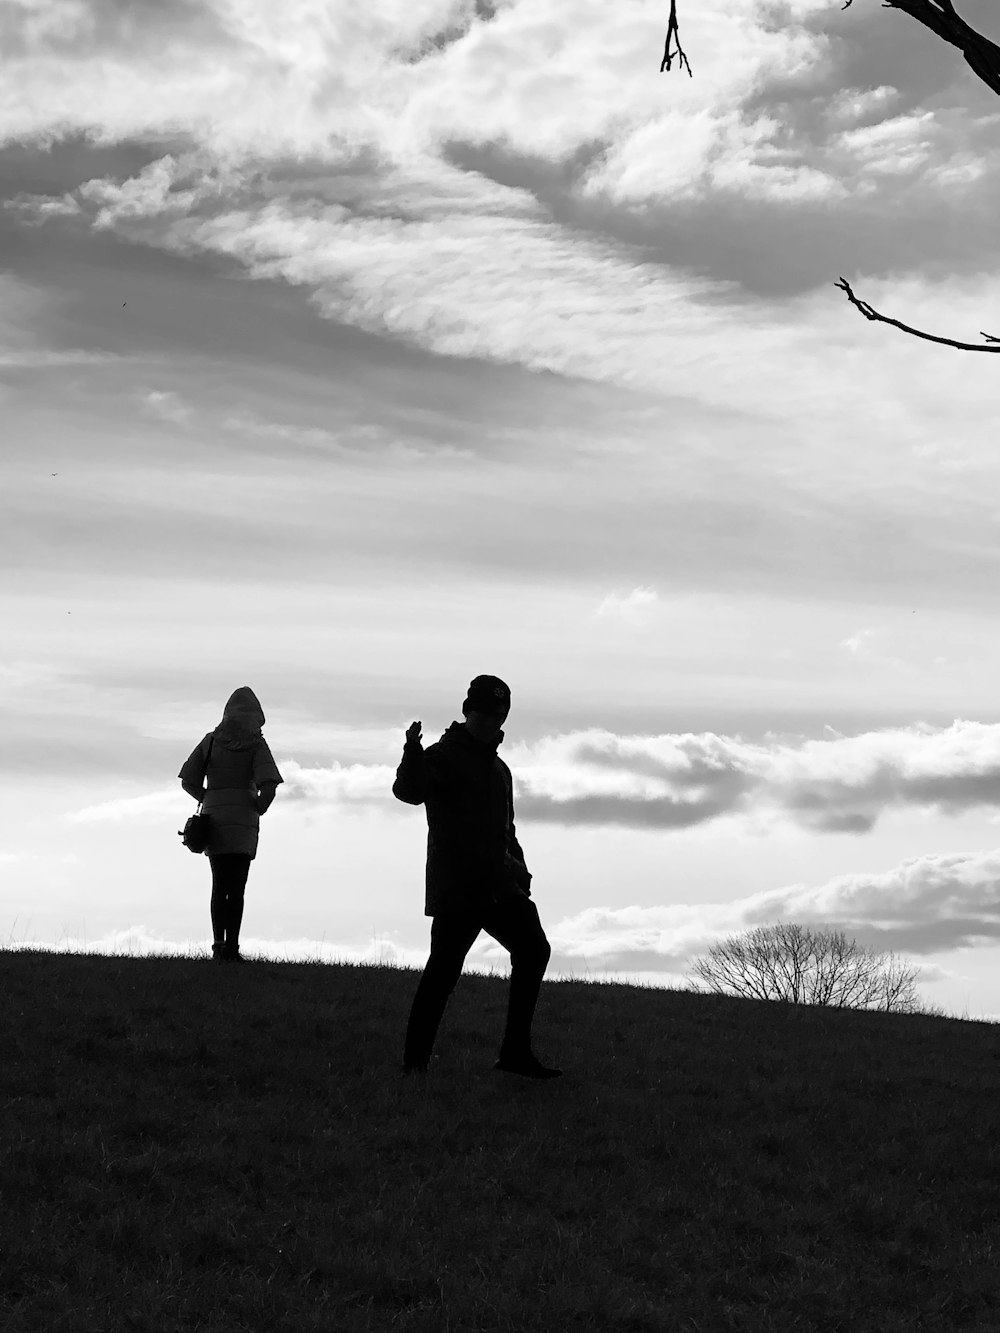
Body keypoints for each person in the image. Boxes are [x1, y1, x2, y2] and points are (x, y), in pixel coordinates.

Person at [393, 674, 561, 1079]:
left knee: (534, 950)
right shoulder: (443, 755)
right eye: (483, 712)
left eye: (497, 714)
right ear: (468, 711)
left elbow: (507, 830)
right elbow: (408, 791)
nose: (489, 720)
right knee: (443, 972)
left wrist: (520, 870)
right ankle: (414, 1064)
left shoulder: (500, 770)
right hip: (460, 886)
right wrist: (412, 752)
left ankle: (515, 1053)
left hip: (501, 885)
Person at [179, 686, 283, 962]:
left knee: (218, 885)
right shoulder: (257, 744)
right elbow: (270, 785)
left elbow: (187, 779)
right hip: (243, 824)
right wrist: (257, 808)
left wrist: (208, 797)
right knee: (237, 888)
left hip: (214, 822)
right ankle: (232, 947)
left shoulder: (211, 741)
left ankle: (217, 945)